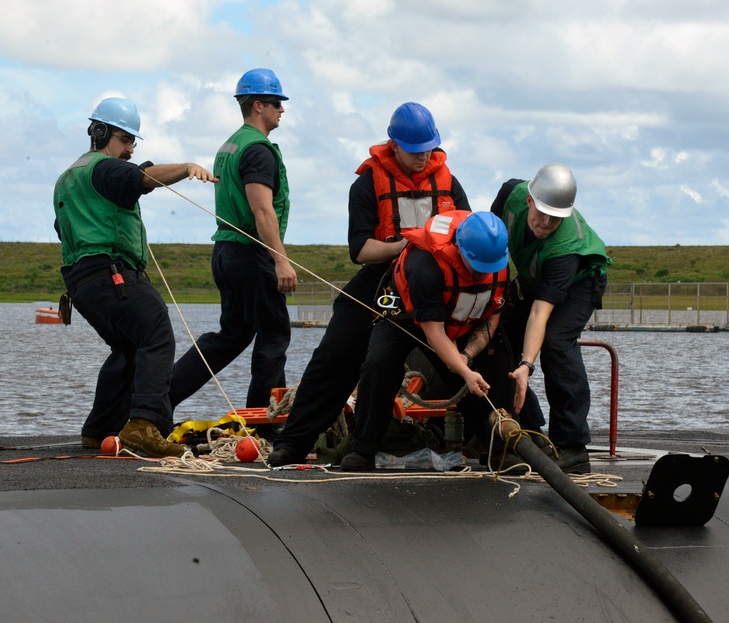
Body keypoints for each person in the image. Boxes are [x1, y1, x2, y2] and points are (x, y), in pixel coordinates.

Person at [267, 102, 471, 466]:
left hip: (433, 284)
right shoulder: (366, 184)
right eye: (414, 151)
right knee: (336, 354)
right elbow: (360, 249)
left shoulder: (449, 183)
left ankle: (498, 434)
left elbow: (466, 234)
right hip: (383, 278)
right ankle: (295, 443)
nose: (423, 157)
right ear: (393, 145)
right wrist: (409, 245)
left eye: (428, 149)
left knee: (462, 360)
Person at [53, 96, 216, 457]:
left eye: (132, 142)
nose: (129, 148)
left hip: (80, 284)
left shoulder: (67, 179)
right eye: (126, 139)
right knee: (156, 330)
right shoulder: (104, 169)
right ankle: (144, 424)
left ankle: (100, 429)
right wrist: (188, 167)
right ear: (100, 132)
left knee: (128, 349)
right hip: (111, 273)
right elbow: (143, 176)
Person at [339, 210, 512, 471]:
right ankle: (364, 448)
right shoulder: (425, 266)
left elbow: (491, 319)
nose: (481, 275)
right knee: (379, 362)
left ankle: (501, 449)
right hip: (407, 310)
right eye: (476, 268)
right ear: (460, 249)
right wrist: (464, 370)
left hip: (457, 314)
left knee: (495, 363)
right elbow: (434, 333)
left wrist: (467, 359)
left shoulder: (498, 265)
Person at [169, 68, 295, 411]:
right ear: (258, 105)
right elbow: (262, 211)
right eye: (275, 103)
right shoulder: (258, 150)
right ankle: (264, 420)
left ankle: (160, 399)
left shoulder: (231, 144)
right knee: (274, 334)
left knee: (233, 335)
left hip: (225, 253)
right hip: (250, 254)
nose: (282, 109)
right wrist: (280, 259)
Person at [490, 163, 610, 473]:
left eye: (555, 218)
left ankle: (572, 446)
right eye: (541, 214)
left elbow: (540, 313)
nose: (545, 223)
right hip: (534, 279)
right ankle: (529, 429)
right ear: (529, 200)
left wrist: (527, 364)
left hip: (579, 283)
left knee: (557, 342)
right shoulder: (510, 195)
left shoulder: (564, 246)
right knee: (496, 334)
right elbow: (493, 240)